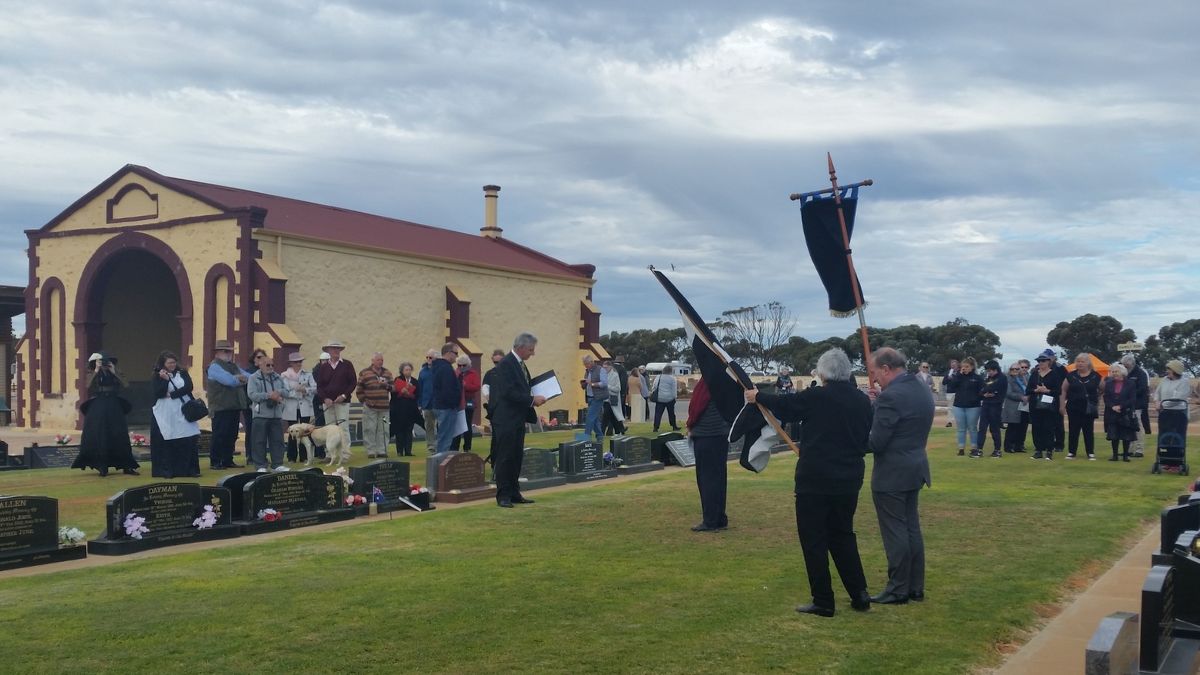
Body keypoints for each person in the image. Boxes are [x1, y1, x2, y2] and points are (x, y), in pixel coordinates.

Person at [746, 348, 873, 617]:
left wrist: (757, 396)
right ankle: (859, 592)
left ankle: (823, 600)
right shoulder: (862, 401)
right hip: (849, 477)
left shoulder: (818, 397)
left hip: (816, 479)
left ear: (823, 373)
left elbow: (788, 407)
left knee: (814, 539)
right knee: (843, 535)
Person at [866, 347, 933, 606]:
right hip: (915, 466)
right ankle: (914, 585)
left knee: (895, 531)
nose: (874, 380)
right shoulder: (920, 387)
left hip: (892, 472)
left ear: (886, 368)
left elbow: (876, 442)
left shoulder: (891, 397)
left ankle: (897, 588)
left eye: (875, 373)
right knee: (911, 528)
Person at [489, 332, 548, 508]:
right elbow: (508, 392)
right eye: (530, 350)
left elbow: (523, 387)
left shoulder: (519, 364)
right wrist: (531, 400)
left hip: (517, 417)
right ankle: (503, 495)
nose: (533, 353)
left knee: (516, 457)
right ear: (520, 347)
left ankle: (514, 492)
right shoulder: (506, 364)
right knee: (505, 457)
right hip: (505, 418)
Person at [72, 352, 140, 477]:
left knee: (120, 434)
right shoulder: (91, 372)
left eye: (105, 362)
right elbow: (87, 385)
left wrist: (115, 372)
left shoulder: (114, 371)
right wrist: (96, 370)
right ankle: (101, 465)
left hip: (114, 403)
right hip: (99, 403)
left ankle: (127, 466)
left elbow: (126, 384)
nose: (104, 364)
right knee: (100, 433)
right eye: (101, 362)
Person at [687, 376, 730, 533]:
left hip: (707, 433)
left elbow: (697, 406)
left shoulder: (709, 381)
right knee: (718, 477)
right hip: (720, 432)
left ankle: (710, 520)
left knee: (707, 479)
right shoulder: (726, 379)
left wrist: (691, 424)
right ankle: (719, 518)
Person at [150, 350, 201, 478]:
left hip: (183, 408)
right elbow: (159, 393)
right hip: (166, 411)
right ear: (163, 363)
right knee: (168, 437)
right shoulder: (158, 375)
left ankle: (189, 470)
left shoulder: (182, 373)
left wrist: (172, 394)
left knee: (187, 437)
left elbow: (188, 387)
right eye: (169, 363)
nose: (172, 365)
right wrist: (166, 380)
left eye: (174, 362)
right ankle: (168, 470)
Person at [205, 339, 248, 469]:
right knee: (220, 435)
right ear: (217, 352)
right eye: (226, 351)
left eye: (230, 351)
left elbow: (249, 377)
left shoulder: (233, 366)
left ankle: (228, 460)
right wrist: (239, 379)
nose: (229, 353)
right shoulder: (214, 367)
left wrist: (240, 378)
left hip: (233, 406)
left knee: (232, 435)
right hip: (220, 407)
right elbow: (228, 381)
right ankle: (216, 461)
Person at [247, 356, 288, 472]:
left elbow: (287, 391)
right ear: (260, 365)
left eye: (272, 365)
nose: (270, 367)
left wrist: (278, 392)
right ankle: (260, 465)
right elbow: (251, 394)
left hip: (276, 415)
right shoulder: (253, 378)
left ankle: (278, 464)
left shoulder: (278, 377)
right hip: (260, 415)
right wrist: (268, 396)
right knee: (259, 441)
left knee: (278, 440)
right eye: (267, 365)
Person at [314, 340, 356, 450]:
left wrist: (343, 396)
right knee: (329, 429)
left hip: (342, 402)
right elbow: (319, 386)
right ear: (328, 351)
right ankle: (330, 453)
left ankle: (345, 452)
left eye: (337, 349)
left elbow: (353, 383)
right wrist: (325, 398)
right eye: (333, 349)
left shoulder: (347, 364)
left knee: (343, 427)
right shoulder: (323, 367)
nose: (335, 351)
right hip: (328, 403)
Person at [1026, 349, 1066, 460]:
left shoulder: (1054, 374)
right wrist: (1036, 390)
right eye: (1039, 361)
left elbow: (1058, 391)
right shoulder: (1034, 374)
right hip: (1035, 404)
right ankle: (1038, 450)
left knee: (1048, 427)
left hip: (1049, 405)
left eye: (1043, 360)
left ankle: (1049, 450)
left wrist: (1047, 390)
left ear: (1049, 361)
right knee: (1036, 427)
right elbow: (1028, 390)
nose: (1041, 363)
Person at [1061, 352, 1101, 460]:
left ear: (1088, 363)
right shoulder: (1071, 375)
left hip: (1088, 408)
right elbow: (1064, 390)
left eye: (1082, 361)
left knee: (1088, 430)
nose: (1080, 364)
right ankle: (1071, 452)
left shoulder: (1095, 376)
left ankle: (1090, 452)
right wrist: (1061, 405)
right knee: (1073, 430)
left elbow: (1102, 389)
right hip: (1073, 406)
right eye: (1078, 361)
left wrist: (1096, 399)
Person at [356, 352, 393, 459]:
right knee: (370, 429)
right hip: (370, 407)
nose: (380, 362)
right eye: (378, 360)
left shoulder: (387, 373)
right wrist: (365, 402)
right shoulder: (365, 373)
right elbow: (359, 390)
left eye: (382, 360)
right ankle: (371, 450)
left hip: (384, 408)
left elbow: (393, 388)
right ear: (372, 361)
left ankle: (382, 450)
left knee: (384, 429)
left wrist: (386, 385)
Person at [281, 352, 317, 462]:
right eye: (296, 362)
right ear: (291, 363)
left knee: (304, 432)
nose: (298, 363)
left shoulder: (308, 374)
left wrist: (305, 390)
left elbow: (315, 388)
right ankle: (291, 457)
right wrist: (297, 391)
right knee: (292, 432)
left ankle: (304, 456)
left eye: (300, 361)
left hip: (305, 406)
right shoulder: (284, 375)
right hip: (291, 407)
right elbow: (284, 391)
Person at [945, 357, 983, 457]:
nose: (964, 368)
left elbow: (982, 391)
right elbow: (952, 386)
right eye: (963, 367)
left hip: (973, 406)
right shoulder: (959, 376)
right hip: (958, 406)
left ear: (972, 367)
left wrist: (976, 398)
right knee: (961, 428)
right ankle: (961, 448)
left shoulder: (977, 378)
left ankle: (974, 448)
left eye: (967, 366)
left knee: (972, 428)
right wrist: (959, 375)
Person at [429, 343, 462, 454]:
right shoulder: (446, 368)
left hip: (440, 405)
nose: (457, 356)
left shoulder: (438, 366)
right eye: (455, 353)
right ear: (448, 353)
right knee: (445, 438)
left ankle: (440, 460)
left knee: (443, 436)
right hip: (447, 407)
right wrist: (454, 404)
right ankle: (440, 463)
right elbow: (448, 389)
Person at [1154, 360, 1191, 455]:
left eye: (1169, 369)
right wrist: (1157, 401)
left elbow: (1178, 398)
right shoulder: (1164, 380)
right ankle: (1164, 458)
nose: (1167, 371)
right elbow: (1157, 392)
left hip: (1179, 413)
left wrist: (1162, 404)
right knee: (1164, 435)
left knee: (1177, 436)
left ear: (1175, 370)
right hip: (1164, 413)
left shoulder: (1184, 382)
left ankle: (1176, 461)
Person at [1103, 363, 1138, 462]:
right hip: (1112, 412)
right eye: (1113, 372)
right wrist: (1113, 406)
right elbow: (1106, 397)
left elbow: (1132, 399)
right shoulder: (1109, 383)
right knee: (1114, 434)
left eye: (1116, 371)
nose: (1114, 373)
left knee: (1126, 435)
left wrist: (1121, 406)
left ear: (1122, 372)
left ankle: (1125, 456)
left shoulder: (1130, 383)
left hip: (1125, 412)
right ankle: (1115, 455)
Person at [1120, 354, 1151, 457]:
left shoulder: (1141, 373)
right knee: (1127, 426)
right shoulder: (1124, 373)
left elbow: (1143, 388)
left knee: (1137, 426)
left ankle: (1139, 450)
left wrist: (1129, 394)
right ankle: (1128, 449)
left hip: (1138, 404)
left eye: (1125, 365)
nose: (1124, 366)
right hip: (1127, 403)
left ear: (1130, 364)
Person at [242, 348, 268, 461]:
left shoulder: (267, 371)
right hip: (250, 406)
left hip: (264, 406)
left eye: (263, 357)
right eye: (258, 357)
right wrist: (248, 404)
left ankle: (261, 455)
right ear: (254, 359)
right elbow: (245, 390)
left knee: (262, 431)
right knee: (252, 430)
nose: (261, 359)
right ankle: (251, 455)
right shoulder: (248, 372)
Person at [977, 360, 1006, 458]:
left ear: (995, 369)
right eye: (987, 371)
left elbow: (995, 388)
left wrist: (989, 390)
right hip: (986, 405)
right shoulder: (988, 378)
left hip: (996, 406)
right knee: (982, 428)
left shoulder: (1002, 378)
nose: (989, 372)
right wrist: (985, 393)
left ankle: (997, 450)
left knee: (994, 428)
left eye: (990, 370)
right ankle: (979, 449)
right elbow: (982, 390)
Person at [451, 354, 480, 452]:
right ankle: (455, 447)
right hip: (457, 403)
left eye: (464, 365)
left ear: (468, 364)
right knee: (457, 426)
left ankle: (467, 447)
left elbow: (476, 387)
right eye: (459, 365)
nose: (462, 367)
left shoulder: (473, 373)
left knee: (467, 425)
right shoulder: (455, 373)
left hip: (468, 402)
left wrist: (465, 385)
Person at [390, 361, 420, 457]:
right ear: (402, 371)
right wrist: (401, 392)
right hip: (399, 410)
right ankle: (399, 451)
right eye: (406, 370)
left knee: (409, 430)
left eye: (409, 370)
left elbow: (418, 395)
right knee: (399, 431)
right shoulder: (397, 380)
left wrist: (410, 394)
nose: (408, 371)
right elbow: (393, 395)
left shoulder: (415, 381)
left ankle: (408, 451)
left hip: (410, 410)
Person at [1001, 361, 1029, 453]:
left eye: (1017, 369)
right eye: (1012, 369)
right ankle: (1009, 446)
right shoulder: (1008, 379)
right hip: (1013, 406)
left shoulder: (1023, 378)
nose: (1015, 370)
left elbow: (1028, 388)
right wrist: (1021, 397)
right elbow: (1008, 393)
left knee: (1022, 427)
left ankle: (1019, 446)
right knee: (1012, 427)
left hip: (1024, 406)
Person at [581, 354, 607, 441]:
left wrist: (592, 383)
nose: (586, 366)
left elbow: (604, 383)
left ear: (592, 362)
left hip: (598, 397)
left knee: (589, 417)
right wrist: (584, 384)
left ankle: (585, 438)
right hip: (589, 397)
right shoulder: (587, 371)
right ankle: (600, 436)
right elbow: (587, 382)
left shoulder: (601, 370)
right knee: (594, 419)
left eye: (587, 364)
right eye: (584, 364)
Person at [417, 348, 439, 445]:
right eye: (427, 357)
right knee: (429, 426)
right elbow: (419, 388)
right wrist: (419, 403)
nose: (428, 359)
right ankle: (430, 445)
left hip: (438, 402)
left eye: (430, 357)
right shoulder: (423, 372)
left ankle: (440, 444)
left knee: (441, 425)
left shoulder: (440, 370)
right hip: (426, 403)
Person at [651, 365, 680, 432]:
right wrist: (674, 397)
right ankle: (674, 426)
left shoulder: (658, 377)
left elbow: (654, 386)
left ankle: (656, 427)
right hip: (669, 398)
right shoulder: (672, 378)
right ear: (670, 371)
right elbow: (674, 389)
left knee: (658, 413)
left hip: (660, 398)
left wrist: (654, 393)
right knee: (671, 413)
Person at [601, 359, 626, 436]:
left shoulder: (615, 375)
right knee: (612, 417)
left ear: (610, 367)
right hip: (605, 399)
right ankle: (619, 431)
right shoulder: (603, 375)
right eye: (603, 367)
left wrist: (607, 387)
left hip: (612, 399)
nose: (604, 369)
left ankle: (601, 433)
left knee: (606, 417)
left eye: (606, 367)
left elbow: (618, 388)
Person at [941, 358, 959, 427]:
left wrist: (954, 378)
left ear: (957, 365)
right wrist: (948, 378)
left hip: (958, 393)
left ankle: (958, 421)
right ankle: (949, 422)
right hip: (950, 392)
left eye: (954, 365)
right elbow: (943, 382)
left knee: (958, 408)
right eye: (952, 364)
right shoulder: (948, 373)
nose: (953, 366)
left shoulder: (960, 373)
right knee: (950, 408)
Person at [613, 355, 631, 420]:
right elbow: (624, 382)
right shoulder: (622, 369)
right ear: (622, 362)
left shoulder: (611, 368)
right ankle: (620, 421)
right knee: (620, 407)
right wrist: (624, 392)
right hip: (620, 391)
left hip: (610, 391)